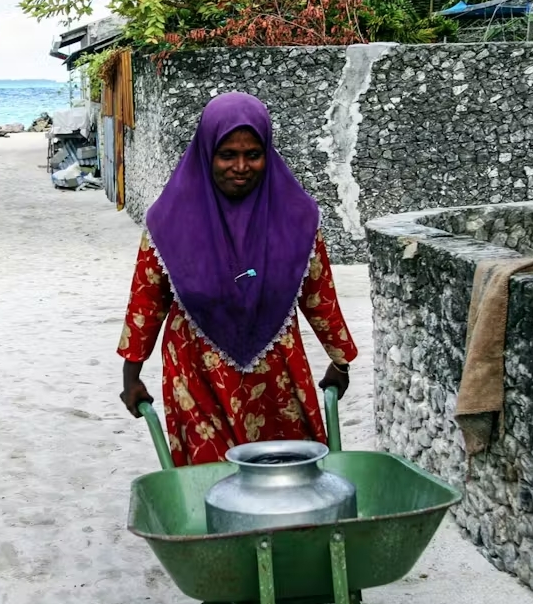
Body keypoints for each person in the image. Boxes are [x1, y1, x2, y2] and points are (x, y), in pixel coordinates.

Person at [116, 92, 358, 467]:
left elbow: (319, 298)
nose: (241, 166)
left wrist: (340, 363)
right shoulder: (169, 222)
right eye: (227, 154)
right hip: (195, 373)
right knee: (211, 482)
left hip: (277, 375)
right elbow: (146, 304)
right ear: (206, 152)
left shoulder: (298, 219)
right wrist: (131, 376)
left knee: (288, 479)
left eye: (253, 154)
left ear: (268, 153)